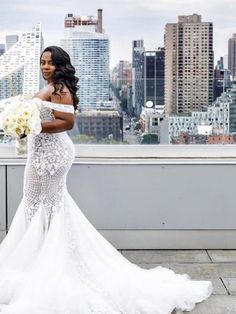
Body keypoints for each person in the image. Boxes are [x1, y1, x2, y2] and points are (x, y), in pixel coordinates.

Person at [0, 46, 213, 313]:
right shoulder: (53, 87)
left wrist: (32, 125)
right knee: (45, 207)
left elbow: (67, 122)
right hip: (41, 153)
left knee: (40, 207)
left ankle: (44, 263)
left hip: (51, 157)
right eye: (42, 62)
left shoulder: (60, 90)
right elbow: (43, 117)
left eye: (50, 63)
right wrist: (23, 125)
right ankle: (40, 260)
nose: (45, 67)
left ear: (60, 66)